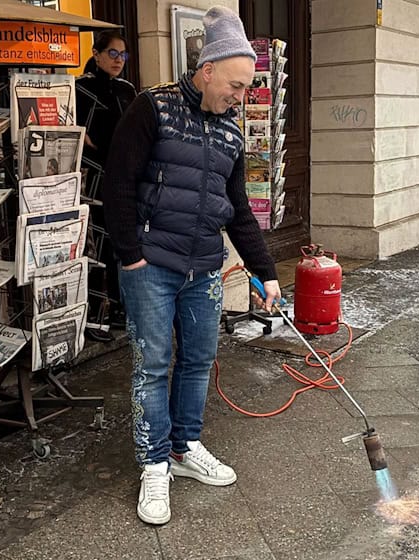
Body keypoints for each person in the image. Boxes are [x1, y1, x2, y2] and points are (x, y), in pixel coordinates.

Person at [103, 6, 282, 526]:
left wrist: (265, 271)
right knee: (153, 365)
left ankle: (184, 448)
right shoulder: (150, 108)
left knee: (198, 362)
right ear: (207, 70)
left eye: (247, 88)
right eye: (235, 85)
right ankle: (154, 463)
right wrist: (131, 257)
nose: (240, 97)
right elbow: (117, 187)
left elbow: (240, 209)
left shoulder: (230, 131)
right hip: (151, 266)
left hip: (203, 266)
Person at [77, 31, 137, 341]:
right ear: (97, 53)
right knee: (96, 243)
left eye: (123, 55)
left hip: (126, 177)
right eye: (112, 53)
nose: (118, 60)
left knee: (122, 241)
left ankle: (120, 308)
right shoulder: (81, 88)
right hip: (95, 177)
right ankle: (96, 312)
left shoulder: (127, 90)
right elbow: (78, 135)